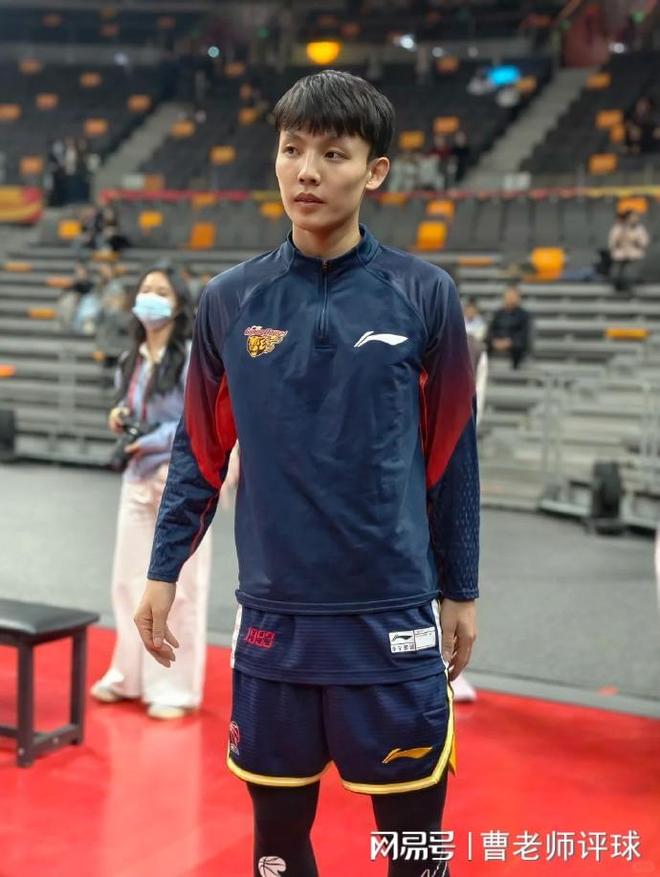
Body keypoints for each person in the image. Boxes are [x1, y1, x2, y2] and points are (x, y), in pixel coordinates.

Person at [134, 70, 479, 876]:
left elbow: (454, 454)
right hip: (274, 623)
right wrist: (162, 570)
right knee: (277, 847)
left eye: (333, 153)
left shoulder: (425, 296)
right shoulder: (229, 301)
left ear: (375, 170)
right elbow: (199, 451)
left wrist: (460, 585)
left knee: (415, 851)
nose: (307, 172)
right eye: (292, 150)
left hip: (391, 615)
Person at [91, 264, 212, 720]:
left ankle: (174, 688)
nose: (151, 297)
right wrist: (119, 417)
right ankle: (128, 675)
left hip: (181, 484)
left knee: (182, 588)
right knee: (127, 583)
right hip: (136, 479)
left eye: (162, 291)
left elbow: (195, 421)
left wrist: (153, 439)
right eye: (145, 289)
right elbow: (130, 408)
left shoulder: (193, 357)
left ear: (178, 305)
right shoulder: (132, 358)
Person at [486, 283, 532, 369]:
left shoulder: (524, 315)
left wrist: (510, 342)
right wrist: (494, 341)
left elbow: (524, 335)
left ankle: (515, 370)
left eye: (513, 296)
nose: (510, 299)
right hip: (496, 342)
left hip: (514, 345)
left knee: (519, 346)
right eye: (508, 296)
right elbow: (491, 330)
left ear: (518, 298)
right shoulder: (498, 314)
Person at [607, 209, 650, 293]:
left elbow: (644, 242)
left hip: (633, 254)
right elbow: (612, 241)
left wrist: (635, 239)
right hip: (620, 254)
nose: (635, 218)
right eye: (632, 217)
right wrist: (621, 238)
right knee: (617, 271)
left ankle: (628, 286)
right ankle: (617, 286)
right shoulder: (619, 227)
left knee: (630, 271)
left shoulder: (639, 228)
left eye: (636, 217)